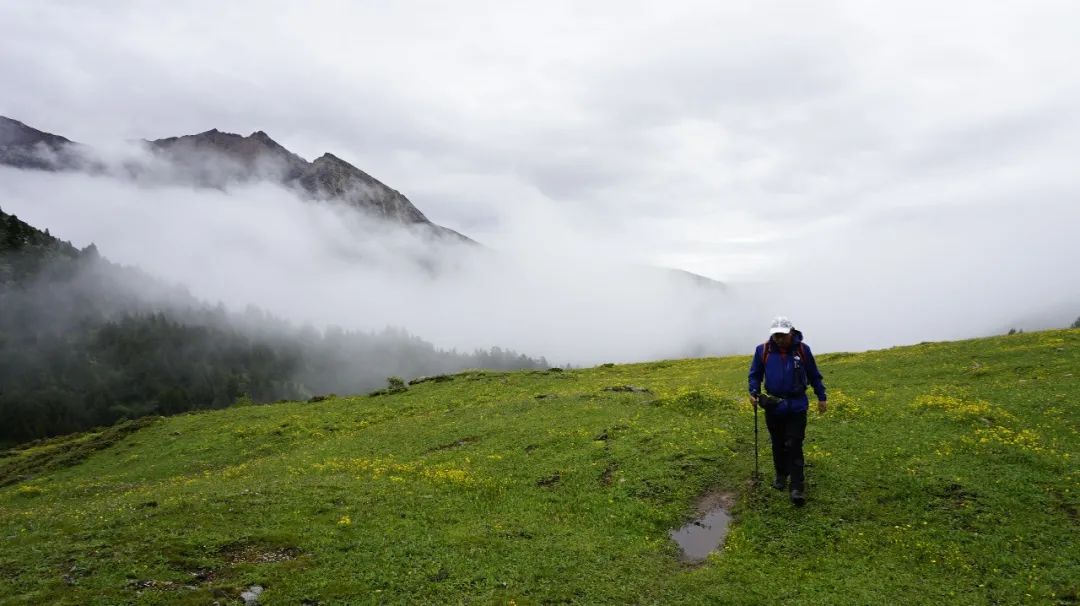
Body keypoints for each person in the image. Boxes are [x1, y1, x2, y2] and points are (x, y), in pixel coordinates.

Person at [748, 316, 827, 506]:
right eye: (775, 335)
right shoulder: (763, 350)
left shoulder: (802, 350)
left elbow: (814, 375)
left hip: (797, 405)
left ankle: (797, 486)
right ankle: (781, 475)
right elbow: (755, 374)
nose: (778, 339)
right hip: (773, 405)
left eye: (782, 335)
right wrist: (753, 392)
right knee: (777, 442)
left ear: (791, 332)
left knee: (794, 443)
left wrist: (821, 396)